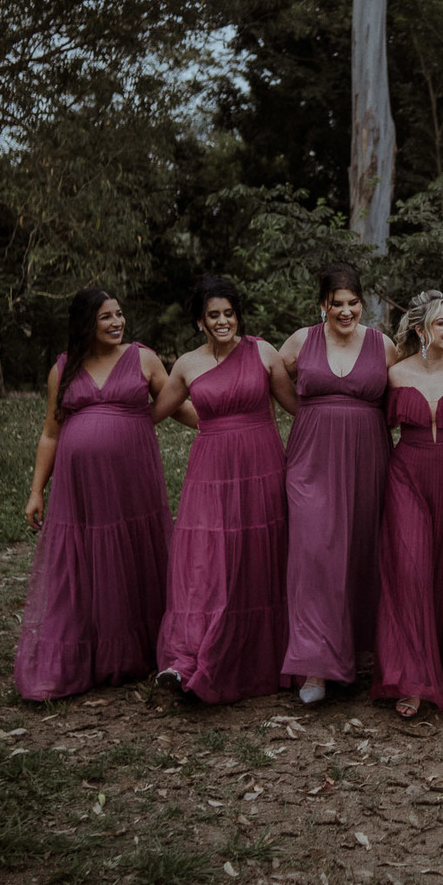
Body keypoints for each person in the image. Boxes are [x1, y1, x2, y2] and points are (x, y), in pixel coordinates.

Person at [15, 286, 184, 701]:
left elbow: (177, 402)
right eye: (106, 316)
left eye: (119, 314)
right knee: (83, 563)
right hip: (81, 491)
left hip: (132, 483)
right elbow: (51, 433)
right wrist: (36, 491)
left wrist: (222, 419)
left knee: (134, 555)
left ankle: (138, 650)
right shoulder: (63, 368)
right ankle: (80, 654)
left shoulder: (143, 358)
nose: (117, 322)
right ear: (85, 323)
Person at [153, 276, 296, 704]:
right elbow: (154, 412)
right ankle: (191, 658)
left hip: (263, 470)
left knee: (258, 556)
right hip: (211, 473)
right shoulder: (187, 364)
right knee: (207, 562)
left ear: (238, 316)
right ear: (200, 321)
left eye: (229, 314)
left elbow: (298, 407)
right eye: (213, 315)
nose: (222, 321)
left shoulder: (263, 352)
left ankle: (256, 657)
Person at [278, 264, 396, 706]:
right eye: (336, 304)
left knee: (361, 552)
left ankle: (354, 653)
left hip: (368, 459)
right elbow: (271, 379)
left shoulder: (383, 345)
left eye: (353, 303)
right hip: (311, 459)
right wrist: (311, 413)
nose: (346, 312)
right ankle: (315, 666)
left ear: (362, 304)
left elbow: (406, 389)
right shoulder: (299, 342)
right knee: (313, 554)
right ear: (322, 305)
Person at [372, 290, 443, 718]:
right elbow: (373, 425)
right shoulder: (394, 375)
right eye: (441, 323)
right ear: (420, 330)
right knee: (409, 570)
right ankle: (412, 677)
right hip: (407, 475)